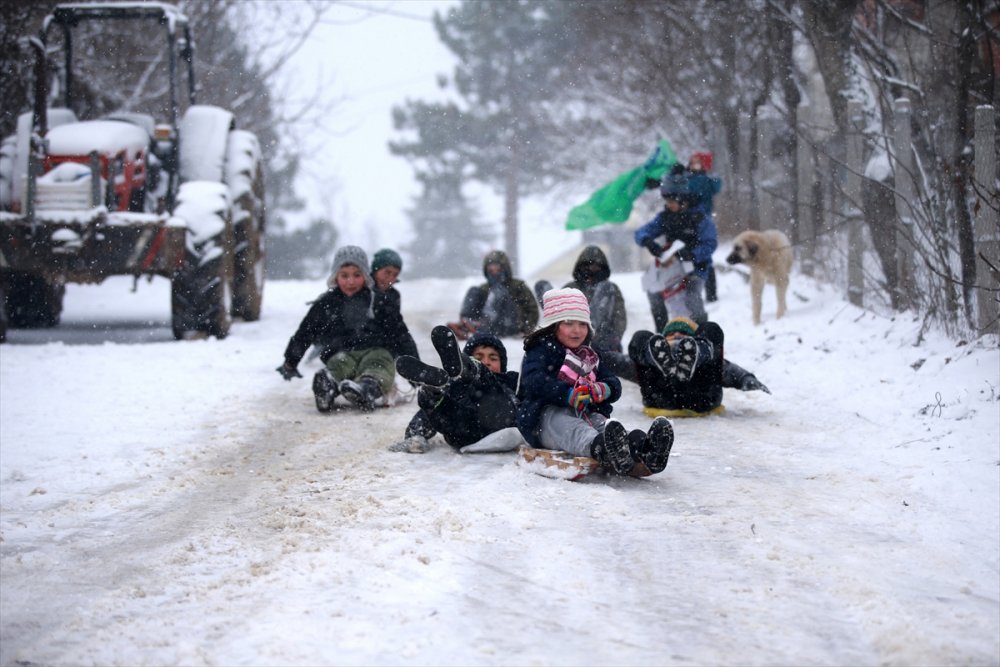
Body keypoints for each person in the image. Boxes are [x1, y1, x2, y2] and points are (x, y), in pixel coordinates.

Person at [516, 287, 674, 477]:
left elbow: (613, 382)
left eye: (583, 324)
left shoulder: (589, 355)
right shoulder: (541, 351)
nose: (577, 330)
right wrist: (566, 394)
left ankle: (645, 448)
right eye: (569, 323)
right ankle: (604, 449)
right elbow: (534, 381)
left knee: (605, 425)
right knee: (572, 428)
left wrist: (602, 390)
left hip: (586, 412)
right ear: (554, 325)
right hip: (544, 418)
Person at [275, 245, 397, 413]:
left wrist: (413, 366)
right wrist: (291, 361)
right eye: (344, 275)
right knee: (338, 365)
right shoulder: (326, 303)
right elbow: (305, 332)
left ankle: (366, 389)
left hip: (375, 350)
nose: (351, 281)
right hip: (341, 352)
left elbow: (399, 333)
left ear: (366, 276)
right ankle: (327, 386)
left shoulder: (378, 301)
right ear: (335, 277)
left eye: (357, 275)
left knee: (379, 366)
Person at [391, 327, 519, 453]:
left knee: (486, 383)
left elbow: (530, 395)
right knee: (444, 405)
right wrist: (416, 435)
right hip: (463, 430)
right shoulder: (456, 388)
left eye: (493, 358)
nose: (487, 361)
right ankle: (432, 391)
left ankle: (471, 368)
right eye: (479, 357)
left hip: (499, 418)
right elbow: (426, 415)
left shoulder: (509, 380)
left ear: (503, 363)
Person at [628, 316, 770, 416]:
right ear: (664, 338)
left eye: (683, 332)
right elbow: (619, 363)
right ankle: (652, 355)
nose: (677, 334)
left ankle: (697, 352)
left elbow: (728, 370)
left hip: (687, 395)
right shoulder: (661, 350)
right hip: (673, 396)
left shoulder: (705, 358)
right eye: (672, 333)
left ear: (692, 337)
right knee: (641, 337)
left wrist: (746, 379)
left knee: (711, 329)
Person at [634, 167, 718, 325]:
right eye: (667, 202)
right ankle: (663, 332)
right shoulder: (665, 217)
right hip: (673, 266)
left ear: (683, 201)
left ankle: (701, 330)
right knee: (654, 292)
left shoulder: (699, 218)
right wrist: (647, 241)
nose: (669, 205)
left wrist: (692, 255)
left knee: (691, 296)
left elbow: (710, 243)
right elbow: (641, 232)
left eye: (672, 202)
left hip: (696, 267)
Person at [448, 250, 538, 340]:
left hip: (510, 324)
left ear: (505, 269)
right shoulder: (484, 288)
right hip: (486, 324)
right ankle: (467, 324)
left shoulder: (517, 286)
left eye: (498, 270)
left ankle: (478, 327)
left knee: (499, 291)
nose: (495, 273)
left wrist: (526, 329)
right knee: (474, 291)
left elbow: (532, 309)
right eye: (491, 270)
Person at [370, 248, 420, 361]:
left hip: (386, 349)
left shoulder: (393, 295)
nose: (390, 278)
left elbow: (397, 327)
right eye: (387, 272)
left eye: (395, 275)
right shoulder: (362, 291)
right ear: (376, 270)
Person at [686, 152, 722, 303]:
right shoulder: (691, 179)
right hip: (688, 220)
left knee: (704, 256)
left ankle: (709, 292)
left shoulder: (703, 181)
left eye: (697, 162)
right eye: (692, 162)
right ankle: (701, 291)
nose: (693, 165)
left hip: (701, 221)